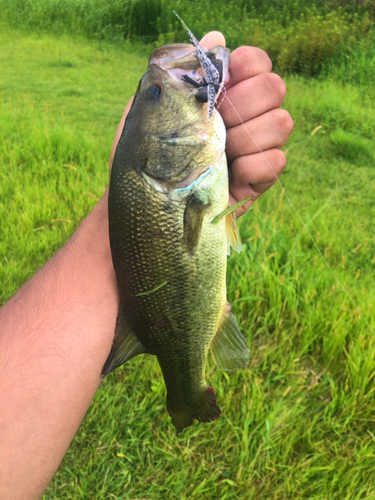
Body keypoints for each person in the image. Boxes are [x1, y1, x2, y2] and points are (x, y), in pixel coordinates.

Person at [0, 31, 293, 500]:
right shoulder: (156, 172)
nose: (160, 84)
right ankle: (186, 391)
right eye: (153, 94)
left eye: (153, 92)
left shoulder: (167, 168)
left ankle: (186, 388)